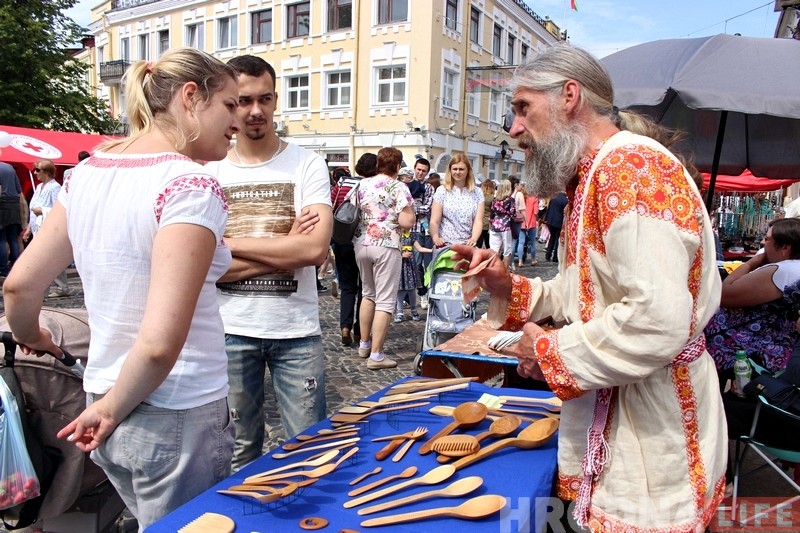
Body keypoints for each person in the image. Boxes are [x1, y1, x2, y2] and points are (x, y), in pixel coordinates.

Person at [451, 43, 726, 531]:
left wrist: (552, 351)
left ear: (569, 96)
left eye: (522, 108)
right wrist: (509, 286)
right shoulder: (595, 172)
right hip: (622, 406)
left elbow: (655, 319)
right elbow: (586, 293)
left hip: (653, 424)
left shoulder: (630, 167)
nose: (513, 128)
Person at [3, 48, 240, 529]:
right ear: (191, 98)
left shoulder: (88, 173)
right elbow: (157, 344)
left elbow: (20, 288)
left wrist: (35, 338)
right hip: (173, 409)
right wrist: (110, 410)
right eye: (229, 105)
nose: (238, 120)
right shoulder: (190, 183)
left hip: (104, 394)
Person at [206, 54, 331, 470]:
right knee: (238, 451)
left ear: (276, 99)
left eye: (265, 99)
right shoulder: (211, 170)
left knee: (309, 448)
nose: (255, 111)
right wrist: (285, 247)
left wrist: (229, 243)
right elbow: (207, 267)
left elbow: (313, 251)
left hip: (296, 333)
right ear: (230, 104)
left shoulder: (308, 163)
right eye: (243, 100)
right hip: (229, 331)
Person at [705, 217, 800, 377]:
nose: (763, 242)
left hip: (750, 347)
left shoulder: (781, 270)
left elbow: (726, 294)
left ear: (784, 247)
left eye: (768, 239)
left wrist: (750, 263)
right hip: (775, 345)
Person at [353, 147, 415, 369]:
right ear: (397, 166)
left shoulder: (362, 184)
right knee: (386, 300)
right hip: (386, 244)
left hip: (361, 244)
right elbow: (407, 222)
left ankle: (364, 344)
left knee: (368, 294)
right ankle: (377, 356)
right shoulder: (398, 186)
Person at [332, 153, 375, 346]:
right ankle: (360, 331)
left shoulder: (342, 184)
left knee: (347, 287)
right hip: (364, 241)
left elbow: (331, 207)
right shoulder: (373, 187)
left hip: (342, 239)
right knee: (365, 289)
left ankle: (345, 327)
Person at [23, 159, 71, 297]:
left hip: (47, 228)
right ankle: (59, 287)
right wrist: (28, 230)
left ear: (47, 172)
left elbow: (59, 209)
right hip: (37, 227)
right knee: (47, 258)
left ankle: (49, 289)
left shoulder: (54, 187)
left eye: (38, 170)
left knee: (45, 258)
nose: (35, 173)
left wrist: (42, 210)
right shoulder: (38, 187)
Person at [429, 153, 483, 248]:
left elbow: (478, 221)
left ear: (468, 171)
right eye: (455, 169)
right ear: (450, 170)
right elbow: (434, 220)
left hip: (467, 244)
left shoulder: (477, 192)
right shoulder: (442, 190)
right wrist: (436, 238)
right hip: (445, 244)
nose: (457, 172)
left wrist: (474, 239)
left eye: (461, 169)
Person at [395, 228, 425, 322]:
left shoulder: (412, 235)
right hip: (400, 264)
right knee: (400, 288)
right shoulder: (397, 235)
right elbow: (393, 249)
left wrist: (432, 250)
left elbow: (419, 248)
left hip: (410, 265)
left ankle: (414, 311)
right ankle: (399, 312)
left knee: (412, 288)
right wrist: (401, 255)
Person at [0, 161, 22, 277]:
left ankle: (3, 268)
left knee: (1, 239)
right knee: (13, 238)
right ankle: (16, 266)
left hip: (2, 205)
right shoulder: (9, 168)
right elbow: (19, 190)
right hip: (14, 205)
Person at [488, 179, 516, 268]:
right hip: (505, 226)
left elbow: (491, 214)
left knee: (494, 250)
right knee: (507, 250)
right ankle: (505, 271)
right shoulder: (511, 200)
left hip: (494, 225)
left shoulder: (495, 200)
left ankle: (493, 269)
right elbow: (513, 214)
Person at [543, 190, 567, 262]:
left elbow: (548, 209)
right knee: (557, 240)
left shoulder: (553, 197)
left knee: (552, 238)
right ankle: (555, 257)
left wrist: (546, 219)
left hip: (550, 221)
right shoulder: (565, 200)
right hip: (558, 222)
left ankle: (548, 255)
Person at [518, 189, 540, 267]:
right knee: (532, 242)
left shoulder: (521, 197)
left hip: (521, 222)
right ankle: (533, 260)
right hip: (531, 223)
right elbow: (536, 212)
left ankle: (520, 261)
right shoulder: (534, 198)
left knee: (521, 242)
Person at [478, 179, 495, 249]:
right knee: (489, 244)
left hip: (479, 221)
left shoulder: (479, 196)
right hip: (488, 222)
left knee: (479, 243)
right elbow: (493, 210)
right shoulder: (492, 198)